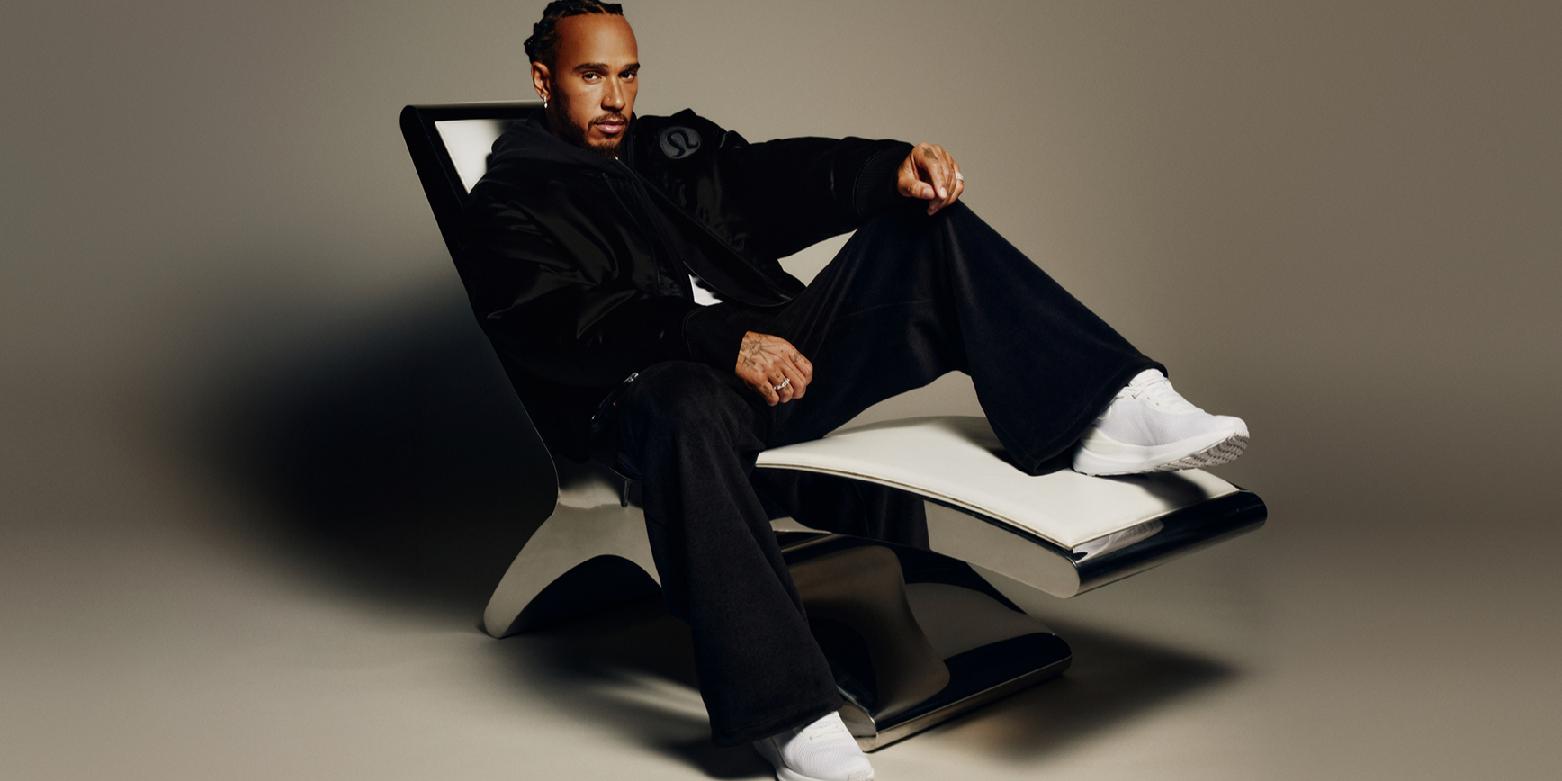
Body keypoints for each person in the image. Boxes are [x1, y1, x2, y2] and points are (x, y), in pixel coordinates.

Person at [460, 3, 1251, 779]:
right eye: (592, 75)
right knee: (682, 403)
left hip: (782, 364)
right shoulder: (511, 199)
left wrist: (888, 168)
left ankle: (1106, 405)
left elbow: (775, 179)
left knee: (926, 227)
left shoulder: (664, 153)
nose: (616, 98)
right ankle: (786, 710)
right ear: (543, 79)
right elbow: (558, 324)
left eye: (628, 75)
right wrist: (713, 338)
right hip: (663, 398)